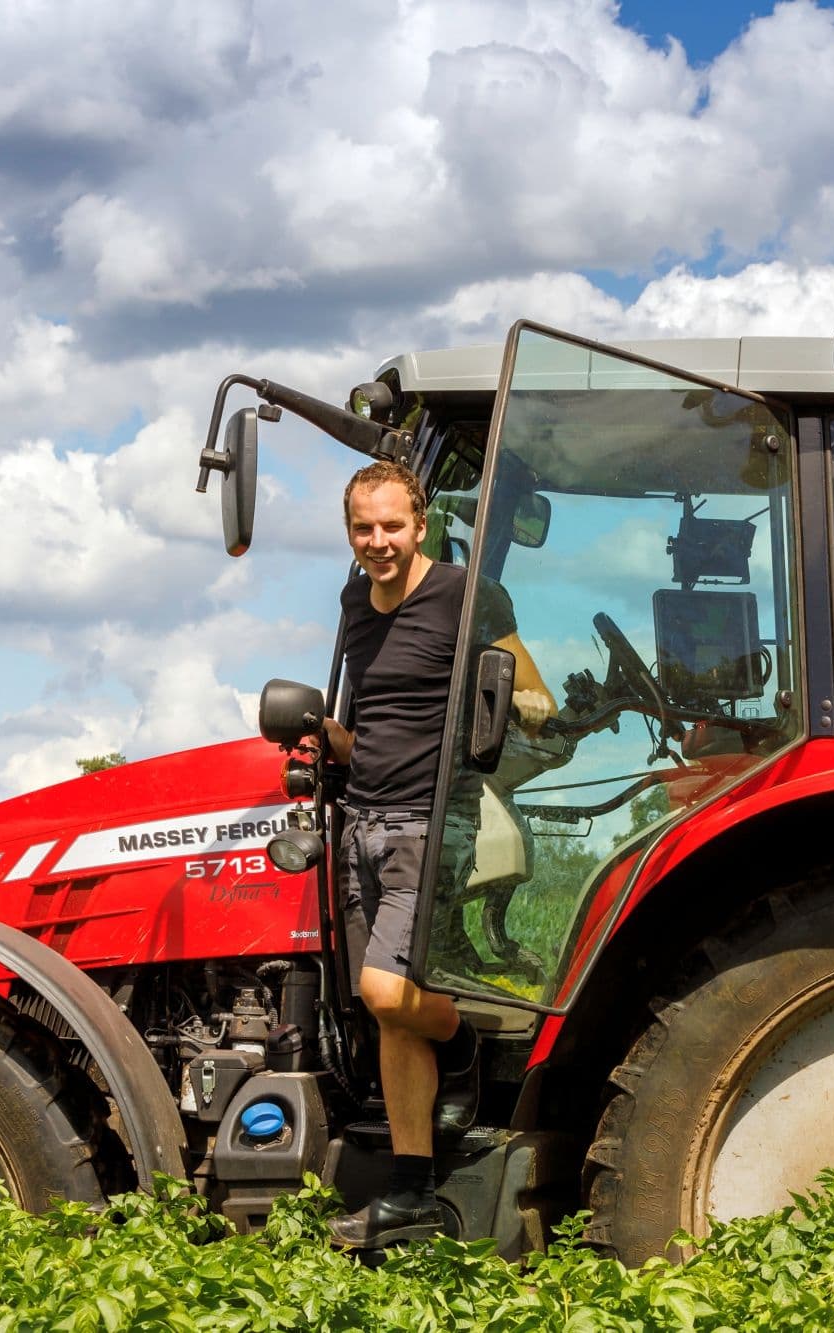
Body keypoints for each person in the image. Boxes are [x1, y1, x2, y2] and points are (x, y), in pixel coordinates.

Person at [319, 459, 552, 1248]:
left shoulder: (466, 594)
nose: (378, 542)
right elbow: (367, 724)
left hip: (429, 821)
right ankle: (411, 1186)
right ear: (350, 533)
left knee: (388, 993)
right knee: (383, 1010)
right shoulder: (357, 600)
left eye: (392, 525)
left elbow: (536, 693)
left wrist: (512, 706)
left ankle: (464, 1043)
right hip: (362, 822)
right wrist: (322, 738)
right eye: (363, 528)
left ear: (421, 525)